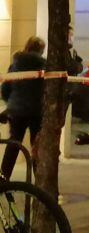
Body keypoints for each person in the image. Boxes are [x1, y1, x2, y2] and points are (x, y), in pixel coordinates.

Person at [1, 37, 46, 179]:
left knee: (14, 144)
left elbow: (6, 88)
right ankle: (38, 180)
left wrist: (12, 103)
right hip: (36, 111)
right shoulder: (43, 65)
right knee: (36, 146)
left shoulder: (15, 63)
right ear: (40, 50)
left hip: (16, 111)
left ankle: (3, 177)